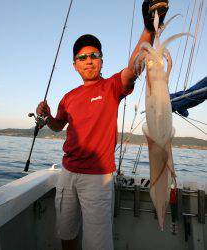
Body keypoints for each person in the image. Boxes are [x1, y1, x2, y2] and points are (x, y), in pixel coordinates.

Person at [37, 1, 168, 249]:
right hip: (67, 173)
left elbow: (134, 68)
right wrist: (46, 117)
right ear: (75, 64)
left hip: (98, 179)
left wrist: (149, 30)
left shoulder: (111, 87)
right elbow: (56, 126)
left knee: (97, 244)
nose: (89, 60)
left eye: (94, 55)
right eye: (82, 57)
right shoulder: (68, 96)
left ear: (101, 60)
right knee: (66, 233)